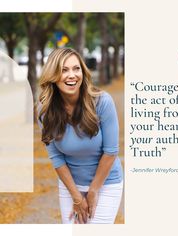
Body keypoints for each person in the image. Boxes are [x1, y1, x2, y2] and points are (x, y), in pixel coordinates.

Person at [37, 48, 123, 224]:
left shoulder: (102, 102)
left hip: (105, 184)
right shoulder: (44, 111)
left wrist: (93, 190)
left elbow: (111, 151)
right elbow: (56, 158)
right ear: (53, 76)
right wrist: (76, 197)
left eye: (76, 69)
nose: (72, 75)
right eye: (64, 70)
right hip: (71, 187)